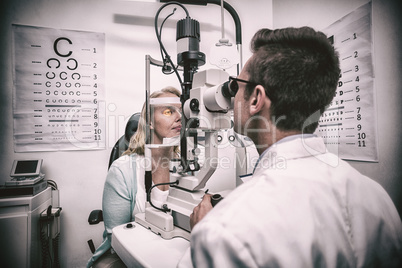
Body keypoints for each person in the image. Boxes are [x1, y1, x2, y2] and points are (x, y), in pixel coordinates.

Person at [183, 27, 402, 267]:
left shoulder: (224, 230)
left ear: (256, 99)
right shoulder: (378, 198)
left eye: (236, 86)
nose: (232, 97)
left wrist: (201, 232)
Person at [87, 86, 181, 268]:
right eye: (169, 111)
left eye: (181, 110)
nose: (179, 117)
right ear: (150, 123)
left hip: (175, 251)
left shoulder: (189, 167)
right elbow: (117, 236)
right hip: (130, 254)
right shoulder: (123, 170)